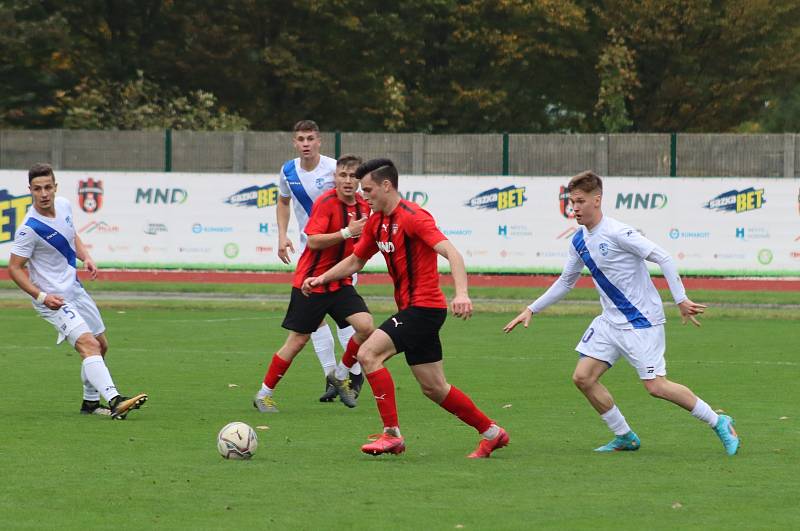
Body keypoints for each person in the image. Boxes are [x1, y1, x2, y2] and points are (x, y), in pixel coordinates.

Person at [503, 170, 740, 455]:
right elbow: (566, 281)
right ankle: (624, 436)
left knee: (656, 386)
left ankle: (719, 421)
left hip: (641, 322)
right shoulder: (579, 241)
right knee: (583, 378)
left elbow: (663, 257)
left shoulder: (618, 232)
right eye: (571, 201)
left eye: (579, 201)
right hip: (609, 322)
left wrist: (681, 299)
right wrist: (531, 308)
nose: (574, 207)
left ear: (597, 200)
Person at [303, 158, 509, 458]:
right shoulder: (375, 221)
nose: (364, 195)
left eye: (369, 189)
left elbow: (452, 252)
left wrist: (462, 293)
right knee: (434, 388)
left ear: (387, 185)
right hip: (415, 310)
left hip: (423, 309)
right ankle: (492, 433)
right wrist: (321, 278)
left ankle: (391, 434)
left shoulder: (414, 217)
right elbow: (356, 261)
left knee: (368, 353)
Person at [8, 163, 147, 420]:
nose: (44, 193)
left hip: (75, 289)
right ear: (30, 191)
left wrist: (86, 257)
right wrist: (41, 297)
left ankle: (90, 404)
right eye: (37, 189)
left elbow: (72, 236)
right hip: (54, 299)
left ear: (55, 187)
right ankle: (115, 400)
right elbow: (14, 269)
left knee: (102, 346)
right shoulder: (29, 229)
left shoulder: (63, 205)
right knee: (88, 345)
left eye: (48, 187)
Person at [254, 155, 373, 412]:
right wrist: (346, 232)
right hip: (311, 282)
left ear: (361, 180)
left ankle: (340, 375)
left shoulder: (365, 207)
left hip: (340, 282)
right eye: (343, 175)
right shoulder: (325, 202)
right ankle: (263, 394)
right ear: (335, 178)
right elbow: (314, 240)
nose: (348, 181)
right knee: (297, 341)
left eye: (354, 176)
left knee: (366, 326)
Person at [276, 120, 363, 401]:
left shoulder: (335, 168)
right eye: (300, 138)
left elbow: (358, 200)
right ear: (294, 141)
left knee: (345, 319)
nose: (305, 143)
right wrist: (282, 235)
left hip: (341, 255)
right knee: (315, 321)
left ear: (319, 141)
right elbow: (283, 201)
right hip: (310, 254)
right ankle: (332, 376)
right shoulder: (288, 171)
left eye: (310, 138)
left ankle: (354, 373)